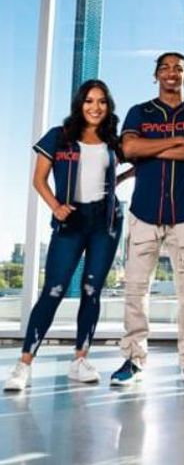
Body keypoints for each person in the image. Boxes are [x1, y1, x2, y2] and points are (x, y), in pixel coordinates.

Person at [5, 80, 129, 390]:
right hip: (71, 218)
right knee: (55, 290)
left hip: (105, 221)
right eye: (89, 101)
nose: (95, 107)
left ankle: (80, 360)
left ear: (108, 106)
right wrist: (56, 207)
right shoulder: (59, 137)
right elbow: (39, 178)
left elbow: (121, 172)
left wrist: (121, 179)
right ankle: (23, 365)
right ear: (79, 104)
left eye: (101, 101)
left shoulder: (113, 141)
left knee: (91, 290)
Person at [111, 52, 184, 387]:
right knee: (135, 290)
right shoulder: (139, 112)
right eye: (165, 68)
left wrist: (149, 148)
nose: (172, 73)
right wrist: (173, 141)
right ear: (155, 75)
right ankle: (133, 358)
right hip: (144, 210)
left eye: (178, 68)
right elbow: (128, 149)